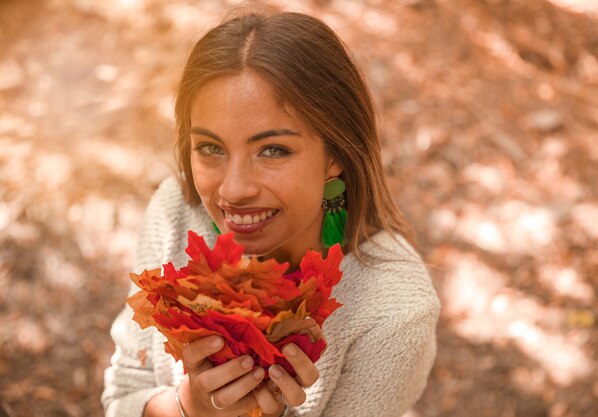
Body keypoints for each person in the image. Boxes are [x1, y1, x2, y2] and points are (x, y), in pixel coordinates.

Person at [102, 8, 440, 417]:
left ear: (336, 154)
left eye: (273, 150)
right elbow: (122, 398)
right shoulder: (178, 210)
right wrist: (187, 408)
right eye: (211, 148)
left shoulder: (395, 314)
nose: (233, 190)